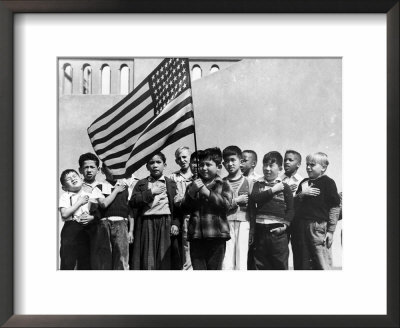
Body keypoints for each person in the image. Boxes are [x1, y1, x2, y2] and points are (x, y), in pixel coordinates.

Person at [181, 147, 233, 270]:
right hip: (196, 237)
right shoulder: (192, 185)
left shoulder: (224, 184)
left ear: (218, 167)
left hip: (217, 236)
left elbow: (226, 205)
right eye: (201, 165)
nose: (204, 168)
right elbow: (184, 208)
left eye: (208, 164)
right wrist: (191, 193)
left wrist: (206, 192)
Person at [129, 152, 181, 270]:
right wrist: (151, 192)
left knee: (164, 257)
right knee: (148, 257)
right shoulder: (141, 183)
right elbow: (133, 202)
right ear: (147, 166)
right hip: (147, 222)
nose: (155, 165)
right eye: (151, 163)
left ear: (165, 165)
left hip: (166, 222)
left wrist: (175, 223)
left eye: (158, 162)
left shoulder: (171, 183)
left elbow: (177, 207)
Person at [291, 152, 341, 270]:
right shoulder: (303, 183)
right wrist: (302, 194)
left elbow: (335, 207)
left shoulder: (328, 182)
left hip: (318, 228)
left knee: (321, 261)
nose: (308, 167)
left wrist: (330, 231)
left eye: (312, 165)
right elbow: (294, 206)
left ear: (323, 168)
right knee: (303, 263)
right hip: (300, 228)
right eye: (307, 164)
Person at [248, 151, 294, 270]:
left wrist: (285, 226)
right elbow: (255, 198)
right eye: (265, 165)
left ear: (280, 168)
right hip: (260, 230)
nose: (267, 169)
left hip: (278, 232)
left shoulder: (285, 187)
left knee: (279, 264)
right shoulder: (258, 184)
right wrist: (273, 190)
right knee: (260, 263)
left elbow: (291, 210)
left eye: (271, 166)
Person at [58, 169, 103, 270]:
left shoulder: (92, 195)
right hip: (71, 229)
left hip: (88, 229)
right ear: (64, 187)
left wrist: (92, 218)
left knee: (86, 261)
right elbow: (64, 214)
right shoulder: (65, 196)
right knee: (68, 261)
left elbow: (98, 213)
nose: (73, 179)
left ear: (81, 179)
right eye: (68, 179)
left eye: (75, 176)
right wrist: (79, 202)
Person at [92, 165, 134, 270]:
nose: (113, 171)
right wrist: (115, 191)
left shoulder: (126, 188)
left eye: (115, 167)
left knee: (122, 257)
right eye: (110, 168)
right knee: (104, 257)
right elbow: (104, 204)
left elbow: (130, 212)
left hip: (121, 224)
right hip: (104, 225)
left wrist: (131, 231)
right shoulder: (99, 187)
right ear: (102, 170)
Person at [221, 146, 253, 270]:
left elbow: (253, 208)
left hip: (245, 222)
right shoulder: (221, 182)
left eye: (233, 160)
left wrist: (253, 229)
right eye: (227, 161)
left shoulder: (249, 182)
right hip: (226, 222)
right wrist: (235, 201)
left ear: (241, 161)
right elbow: (219, 205)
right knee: (227, 259)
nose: (230, 164)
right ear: (223, 164)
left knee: (242, 258)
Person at [169, 146, 193, 270]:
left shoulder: (198, 174)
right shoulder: (173, 177)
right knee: (186, 249)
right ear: (176, 161)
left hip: (199, 216)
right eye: (179, 158)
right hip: (184, 216)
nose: (182, 160)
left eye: (185, 157)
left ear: (190, 157)